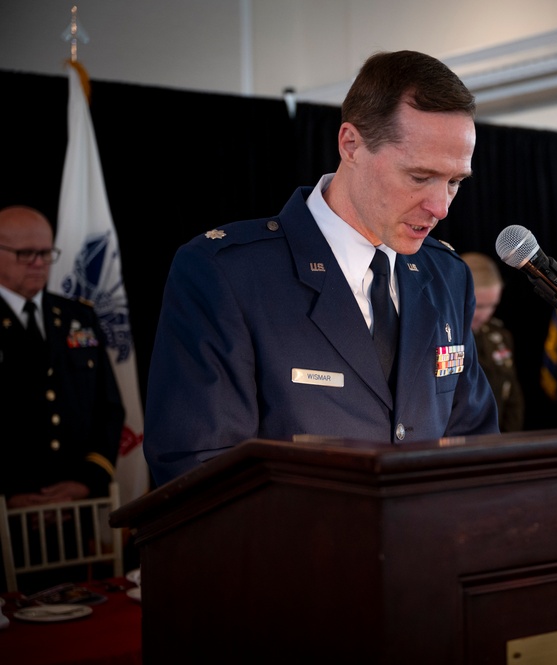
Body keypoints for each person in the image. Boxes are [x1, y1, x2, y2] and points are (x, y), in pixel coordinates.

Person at [143, 50, 499, 486]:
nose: (441, 207)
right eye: (420, 177)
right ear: (351, 144)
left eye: (455, 182)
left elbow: (474, 442)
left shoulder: (446, 276)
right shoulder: (229, 274)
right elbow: (201, 473)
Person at [0, 205, 123, 508]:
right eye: (26, 254)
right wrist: (7, 493)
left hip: (76, 506)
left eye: (46, 253)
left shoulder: (78, 317)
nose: (39, 264)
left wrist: (88, 481)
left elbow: (108, 408)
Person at [461, 251, 525, 432]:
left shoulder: (499, 336)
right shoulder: (443, 337)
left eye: (493, 306)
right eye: (479, 306)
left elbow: (513, 398)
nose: (486, 314)